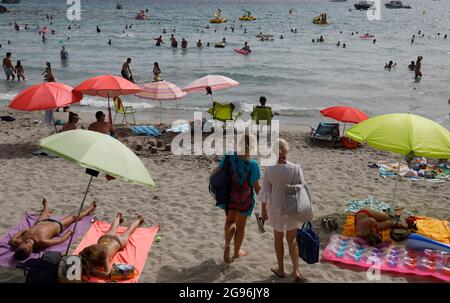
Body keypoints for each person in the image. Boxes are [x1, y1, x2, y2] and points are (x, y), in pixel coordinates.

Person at [259, 139, 308, 282]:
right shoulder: (296, 168)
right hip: (292, 207)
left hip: (276, 208)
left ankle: (280, 269)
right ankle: (296, 271)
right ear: (286, 151)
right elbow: (302, 188)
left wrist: (263, 211)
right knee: (292, 239)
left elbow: (265, 193)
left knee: (278, 239)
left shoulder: (270, 169)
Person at [216, 133, 260, 263]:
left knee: (230, 221)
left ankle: (227, 244)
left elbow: (218, 171)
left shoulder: (229, 156)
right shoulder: (252, 165)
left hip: (230, 197)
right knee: (240, 228)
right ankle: (236, 253)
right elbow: (256, 187)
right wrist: (265, 202)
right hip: (245, 199)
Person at [9, 199, 97, 260]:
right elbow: (60, 240)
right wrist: (69, 233)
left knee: (45, 212)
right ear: (32, 250)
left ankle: (46, 207)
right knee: (73, 217)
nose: (27, 241)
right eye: (28, 244)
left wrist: (24, 231)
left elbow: (12, 239)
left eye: (25, 242)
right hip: (56, 226)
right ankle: (89, 209)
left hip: (40, 222)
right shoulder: (42, 241)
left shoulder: (17, 242)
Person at [78, 213, 144, 278]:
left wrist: (93, 271)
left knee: (124, 230)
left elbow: (107, 274)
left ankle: (120, 217)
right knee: (125, 230)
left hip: (112, 240)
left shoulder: (103, 257)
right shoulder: (92, 251)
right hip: (109, 240)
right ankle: (137, 219)